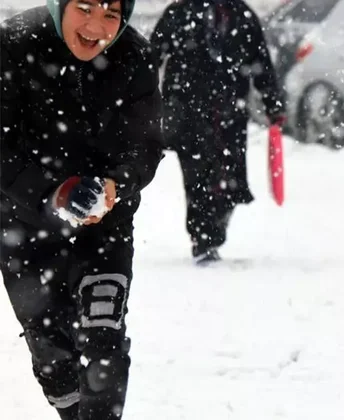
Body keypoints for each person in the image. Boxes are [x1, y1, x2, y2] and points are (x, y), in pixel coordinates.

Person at [0, 0, 164, 418]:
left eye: (112, 14)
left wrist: (114, 185)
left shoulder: (135, 57)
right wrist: (53, 195)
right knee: (53, 355)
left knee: (103, 339)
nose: (97, 26)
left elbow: (144, 147)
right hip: (25, 227)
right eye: (85, 8)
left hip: (103, 227)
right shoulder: (15, 44)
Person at [149, 0, 285, 265]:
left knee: (230, 176)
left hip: (229, 115)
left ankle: (214, 229)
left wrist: (273, 102)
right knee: (196, 177)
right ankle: (203, 238)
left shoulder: (240, 14)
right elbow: (151, 57)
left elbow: (260, 62)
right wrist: (140, 97)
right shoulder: (180, 12)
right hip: (188, 113)